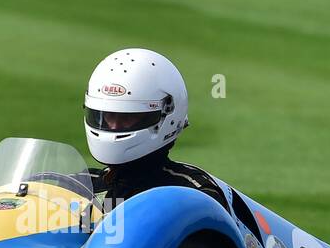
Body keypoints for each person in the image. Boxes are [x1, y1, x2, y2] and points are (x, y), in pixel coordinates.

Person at [83, 48, 230, 213]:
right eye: (108, 116)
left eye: (128, 118)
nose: (114, 127)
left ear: (167, 115)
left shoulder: (194, 194)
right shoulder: (80, 185)